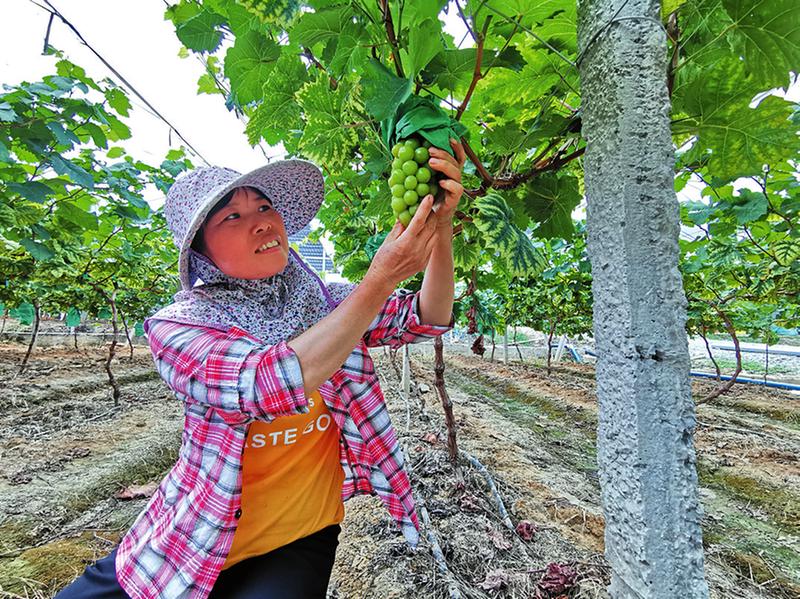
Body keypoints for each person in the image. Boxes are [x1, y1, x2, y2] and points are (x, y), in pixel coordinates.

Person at [55, 138, 467, 599]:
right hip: (194, 532)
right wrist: (378, 280)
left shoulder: (326, 304)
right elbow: (264, 383)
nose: (261, 222)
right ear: (201, 251)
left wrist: (442, 227)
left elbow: (427, 317)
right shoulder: (177, 329)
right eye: (232, 216)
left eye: (264, 206)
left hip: (299, 537)